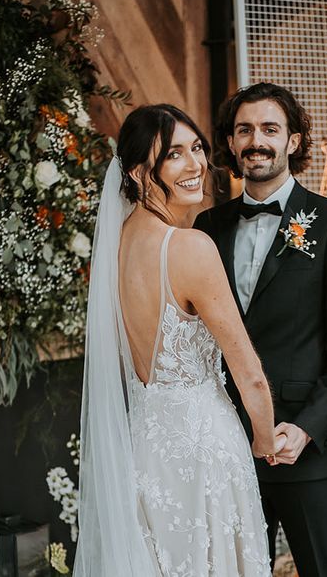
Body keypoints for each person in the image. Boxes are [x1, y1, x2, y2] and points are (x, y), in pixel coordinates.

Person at [73, 104, 278, 576]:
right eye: (174, 155)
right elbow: (249, 375)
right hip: (205, 449)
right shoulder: (190, 248)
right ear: (140, 172)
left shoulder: (115, 246)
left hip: (145, 447)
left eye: (198, 149)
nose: (196, 165)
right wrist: (265, 442)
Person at [194, 83, 327, 577]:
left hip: (305, 452)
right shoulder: (207, 229)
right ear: (230, 142)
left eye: (270, 129)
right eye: (244, 130)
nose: (257, 141)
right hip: (227, 444)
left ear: (293, 141)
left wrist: (307, 428)